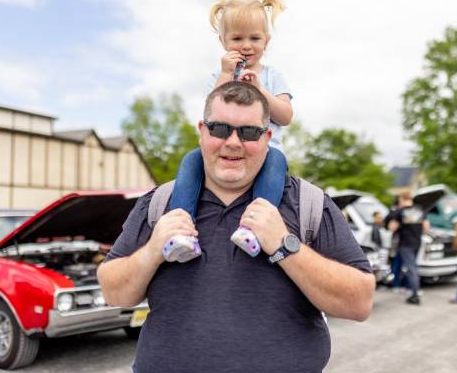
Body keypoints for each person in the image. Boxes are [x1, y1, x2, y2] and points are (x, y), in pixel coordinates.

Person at [97, 83, 374, 373]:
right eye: (219, 129)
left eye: (249, 132)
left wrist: (284, 245)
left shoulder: (310, 203)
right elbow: (114, 293)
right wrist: (153, 250)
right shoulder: (159, 203)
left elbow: (359, 302)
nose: (233, 142)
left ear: (268, 137)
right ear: (202, 131)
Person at [167, 0, 293, 259]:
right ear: (224, 41)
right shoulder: (220, 74)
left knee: (276, 165)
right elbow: (211, 110)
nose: (246, 46)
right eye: (237, 38)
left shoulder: (273, 75)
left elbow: (286, 116)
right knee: (191, 161)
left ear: (266, 41)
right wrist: (226, 74)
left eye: (254, 38)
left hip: (265, 151)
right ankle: (181, 230)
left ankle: (254, 228)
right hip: (224, 147)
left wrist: (261, 91)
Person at [387, 191, 429, 305]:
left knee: (411, 269)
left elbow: (391, 227)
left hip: (405, 243)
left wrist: (400, 226)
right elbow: (426, 227)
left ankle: (415, 295)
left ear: (402, 199)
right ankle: (411, 289)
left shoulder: (400, 212)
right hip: (417, 242)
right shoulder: (419, 209)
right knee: (413, 266)